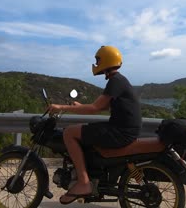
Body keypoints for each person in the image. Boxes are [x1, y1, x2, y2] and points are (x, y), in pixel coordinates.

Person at [48, 45, 142, 205]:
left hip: (121, 132)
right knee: (85, 129)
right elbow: (103, 106)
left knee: (69, 133)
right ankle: (88, 175)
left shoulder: (115, 81)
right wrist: (78, 106)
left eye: (98, 60)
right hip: (123, 129)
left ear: (106, 60)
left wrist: (61, 107)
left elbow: (95, 108)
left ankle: (83, 182)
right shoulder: (118, 80)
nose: (96, 63)